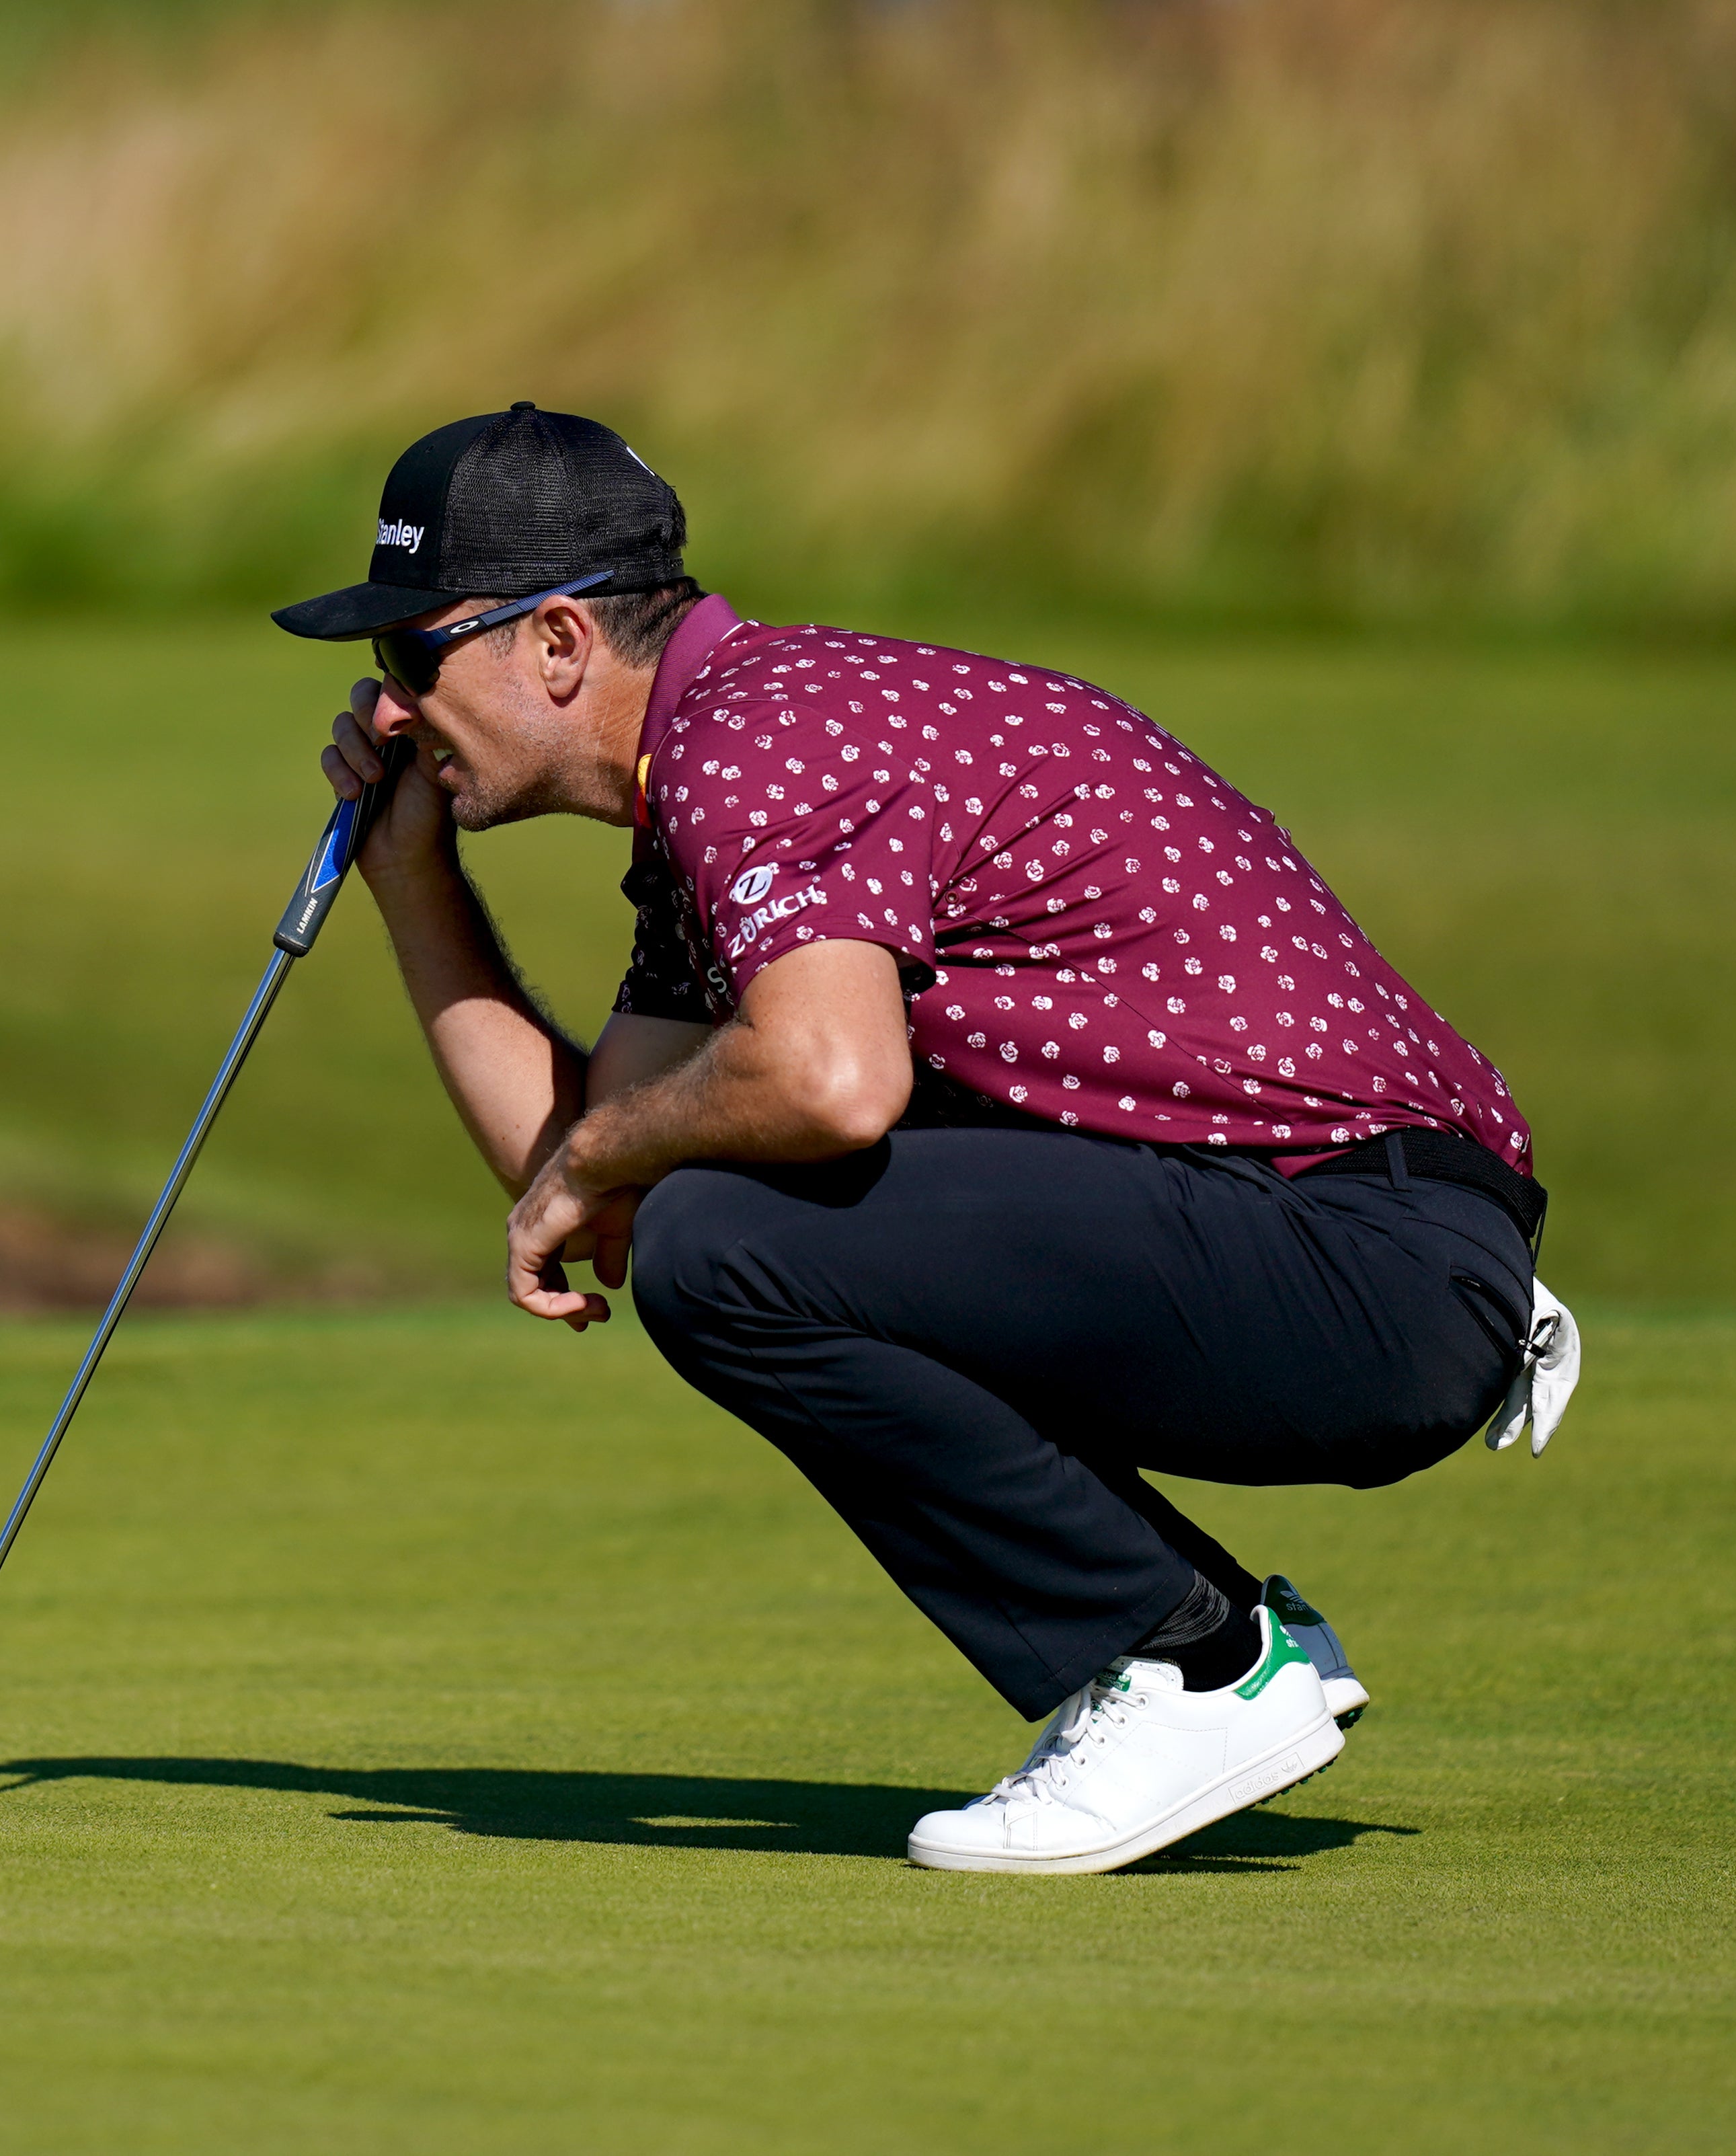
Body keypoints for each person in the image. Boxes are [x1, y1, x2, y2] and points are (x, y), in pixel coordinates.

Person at [278, 403, 1575, 1875]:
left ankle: (1195, 1668)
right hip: (1337, 1247)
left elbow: (827, 1084)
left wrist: (597, 1165)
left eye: (408, 656)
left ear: (559, 645)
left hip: (1361, 1257)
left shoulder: (753, 738)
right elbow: (595, 1175)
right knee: (700, 1216)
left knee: (726, 1241)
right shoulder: (731, 760)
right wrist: (410, 884)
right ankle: (1208, 1655)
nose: (384, 708)